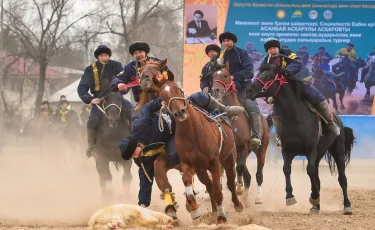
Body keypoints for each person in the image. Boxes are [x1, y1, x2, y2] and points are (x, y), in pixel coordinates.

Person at [119, 92, 245, 208]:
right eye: (132, 157)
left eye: (133, 154)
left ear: (135, 145)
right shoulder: (141, 159)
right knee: (174, 155)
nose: (134, 157)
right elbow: (145, 178)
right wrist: (143, 203)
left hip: (172, 117)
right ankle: (187, 186)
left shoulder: (140, 125)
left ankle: (225, 110)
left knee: (198, 97)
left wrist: (160, 102)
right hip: (171, 138)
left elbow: (146, 108)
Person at [261, 37, 340, 146]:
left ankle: (330, 123)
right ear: (267, 51)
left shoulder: (287, 53)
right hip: (278, 91)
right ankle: (279, 135)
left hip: (295, 83)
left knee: (320, 99)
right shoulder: (266, 62)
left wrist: (286, 71)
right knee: (275, 113)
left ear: (278, 48)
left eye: (274, 48)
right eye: (269, 49)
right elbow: (261, 79)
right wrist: (267, 96)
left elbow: (298, 62)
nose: (272, 50)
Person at [77, 44, 134, 158]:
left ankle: (135, 142)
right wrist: (90, 99)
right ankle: (92, 146)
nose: (104, 57)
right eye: (102, 55)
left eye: (106, 55)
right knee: (92, 120)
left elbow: (124, 80)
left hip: (117, 97)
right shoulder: (90, 69)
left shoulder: (117, 66)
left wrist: (124, 87)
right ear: (98, 57)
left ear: (109, 56)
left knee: (133, 113)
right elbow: (82, 87)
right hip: (100, 99)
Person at [216, 31, 262, 149]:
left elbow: (249, 71)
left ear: (234, 42)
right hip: (225, 89)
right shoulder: (219, 57)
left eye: (228, 40)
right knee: (212, 107)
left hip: (243, 86)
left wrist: (234, 77)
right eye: (224, 41)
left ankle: (256, 136)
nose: (226, 43)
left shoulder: (242, 53)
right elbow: (215, 74)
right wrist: (215, 65)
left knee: (251, 105)